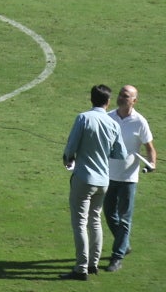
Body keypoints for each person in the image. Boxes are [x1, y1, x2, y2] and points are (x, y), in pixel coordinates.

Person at [66, 85, 126, 279]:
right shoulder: (113, 123)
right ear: (108, 102)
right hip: (103, 180)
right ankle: (93, 264)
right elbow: (120, 153)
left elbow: (71, 147)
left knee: (80, 223)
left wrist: (68, 158)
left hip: (84, 178)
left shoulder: (83, 118)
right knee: (95, 221)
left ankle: (81, 268)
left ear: (91, 99)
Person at [108, 85, 156, 271]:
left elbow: (149, 147)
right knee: (110, 213)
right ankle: (124, 243)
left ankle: (117, 257)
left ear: (134, 101)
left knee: (125, 218)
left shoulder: (140, 122)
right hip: (109, 173)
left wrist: (151, 163)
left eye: (126, 96)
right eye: (120, 94)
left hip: (128, 177)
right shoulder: (109, 117)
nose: (121, 98)